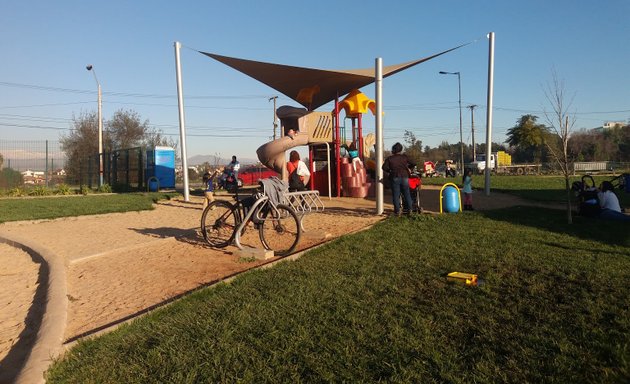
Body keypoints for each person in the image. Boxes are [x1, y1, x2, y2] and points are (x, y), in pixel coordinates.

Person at [382, 142, 415, 216]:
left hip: (395, 177)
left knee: (396, 195)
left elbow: (384, 167)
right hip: (404, 176)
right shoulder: (405, 157)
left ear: (393, 150)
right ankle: (410, 209)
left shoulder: (390, 158)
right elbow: (413, 163)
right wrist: (409, 168)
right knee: (407, 193)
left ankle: (397, 211)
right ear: (401, 150)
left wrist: (390, 171)